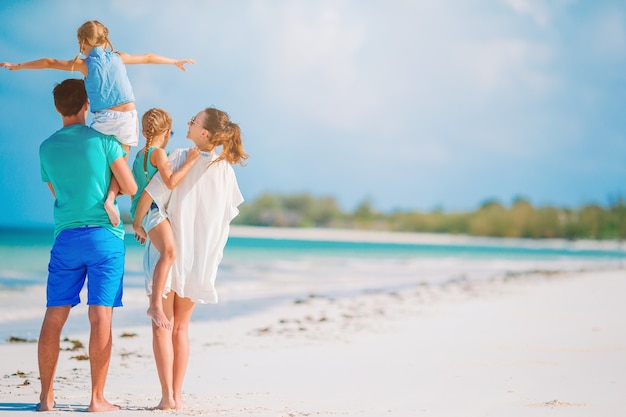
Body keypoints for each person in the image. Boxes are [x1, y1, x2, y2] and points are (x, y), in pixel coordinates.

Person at [1, 19, 194, 227]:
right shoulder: (119, 57)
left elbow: (49, 61)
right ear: (105, 40)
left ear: (82, 43)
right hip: (128, 117)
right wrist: (175, 61)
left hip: (103, 119)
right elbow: (147, 57)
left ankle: (90, 200)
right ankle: (110, 200)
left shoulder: (84, 64)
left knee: (101, 160)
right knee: (121, 167)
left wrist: (18, 66)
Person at [133, 107, 248, 410]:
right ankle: (178, 396)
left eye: (194, 122)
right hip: (198, 259)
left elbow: (151, 193)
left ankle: (167, 396)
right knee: (181, 328)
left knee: (162, 325)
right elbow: (226, 216)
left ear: (205, 133)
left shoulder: (182, 155)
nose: (188, 123)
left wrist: (139, 223)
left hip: (168, 254)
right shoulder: (226, 170)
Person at [38, 78, 137, 412]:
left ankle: (46, 398)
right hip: (104, 237)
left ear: (56, 108)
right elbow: (131, 186)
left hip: (66, 237)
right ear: (87, 105)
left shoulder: (46, 147)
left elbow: (58, 194)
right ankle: (96, 399)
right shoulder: (104, 141)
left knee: (54, 315)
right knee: (101, 315)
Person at [130, 108, 200, 330]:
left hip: (145, 213)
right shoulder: (159, 153)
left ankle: (155, 302)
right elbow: (170, 182)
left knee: (164, 253)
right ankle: (155, 304)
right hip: (153, 210)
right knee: (169, 252)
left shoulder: (139, 156)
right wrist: (190, 161)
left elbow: (134, 192)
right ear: (168, 132)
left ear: (143, 132)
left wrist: (139, 222)